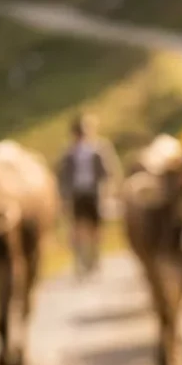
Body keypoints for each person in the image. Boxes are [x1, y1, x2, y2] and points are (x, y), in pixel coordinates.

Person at [56, 113, 120, 277]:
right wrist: (63, 197)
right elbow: (63, 176)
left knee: (95, 229)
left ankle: (95, 259)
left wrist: (109, 192)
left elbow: (108, 172)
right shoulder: (69, 153)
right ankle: (81, 262)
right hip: (77, 193)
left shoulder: (99, 149)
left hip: (94, 193)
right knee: (77, 229)